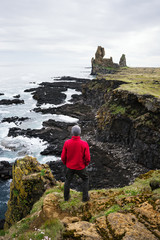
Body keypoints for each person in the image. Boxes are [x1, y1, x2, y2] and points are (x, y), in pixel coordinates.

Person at [61, 125, 90, 202]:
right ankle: (85, 198)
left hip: (70, 166)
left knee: (67, 181)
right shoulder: (84, 144)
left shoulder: (67, 143)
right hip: (80, 167)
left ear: (72, 133)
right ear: (80, 133)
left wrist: (66, 163)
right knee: (85, 179)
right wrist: (85, 165)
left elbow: (63, 157)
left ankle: (66, 198)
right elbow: (87, 158)